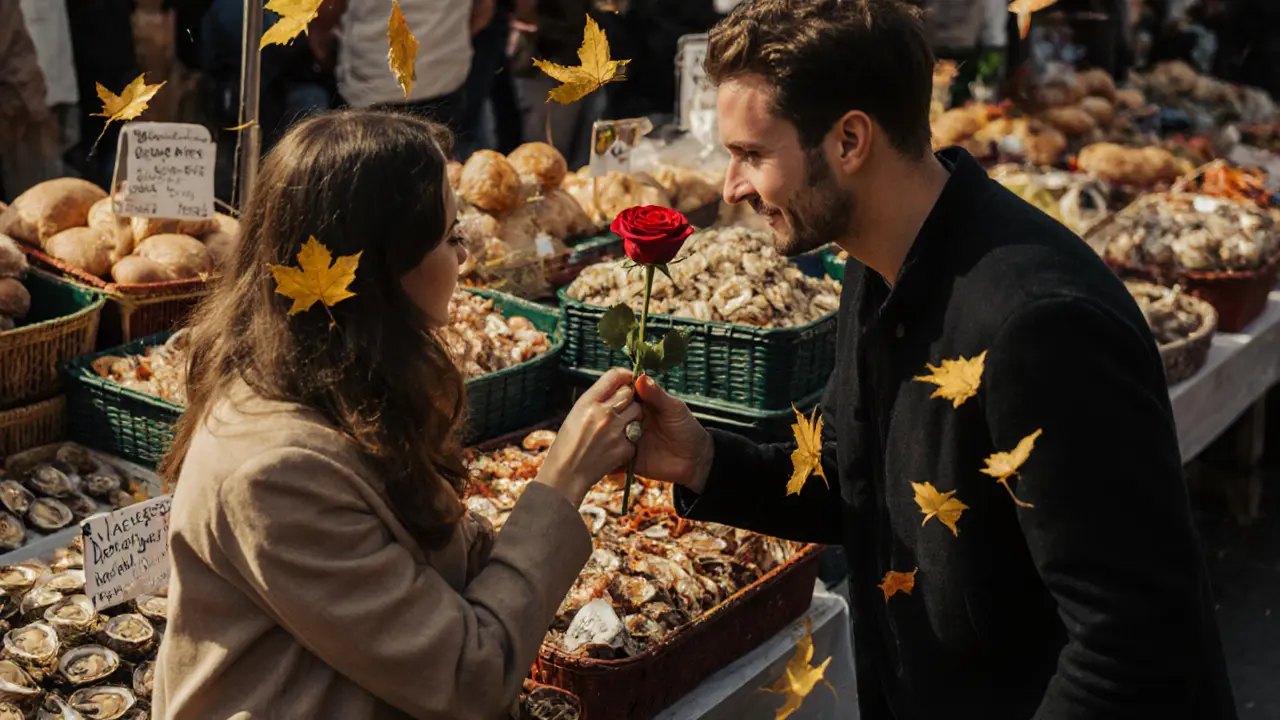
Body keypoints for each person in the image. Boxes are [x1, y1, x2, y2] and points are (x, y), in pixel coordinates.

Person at [630, 1, 1237, 718]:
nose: (731, 188)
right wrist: (703, 460)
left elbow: (1132, 646)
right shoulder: (875, 258)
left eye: (752, 155)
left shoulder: (1040, 324)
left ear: (851, 140)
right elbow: (853, 475)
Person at [154, 110, 644, 719]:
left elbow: (437, 568)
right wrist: (561, 482)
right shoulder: (275, 472)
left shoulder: (346, 390)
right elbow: (469, 677)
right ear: (384, 270)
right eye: (447, 238)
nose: (463, 257)